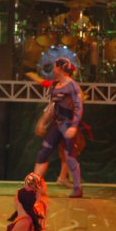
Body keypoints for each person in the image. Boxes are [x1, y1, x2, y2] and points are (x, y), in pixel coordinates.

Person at [31, 57, 84, 197]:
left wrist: (74, 126)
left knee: (70, 156)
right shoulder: (54, 85)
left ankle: (77, 189)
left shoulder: (72, 86)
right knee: (43, 153)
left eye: (55, 66)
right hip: (57, 123)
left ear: (60, 68)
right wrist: (42, 122)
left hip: (68, 124)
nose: (53, 69)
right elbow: (52, 107)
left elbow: (79, 108)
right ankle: (34, 187)